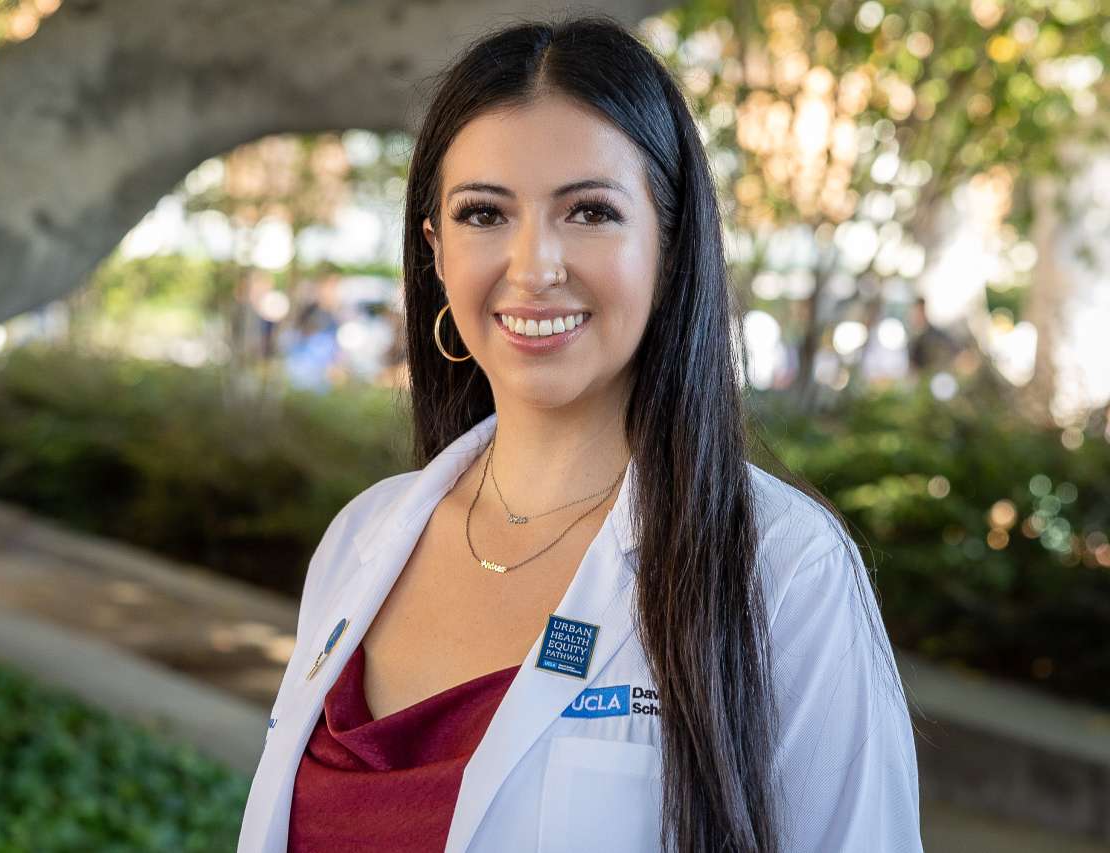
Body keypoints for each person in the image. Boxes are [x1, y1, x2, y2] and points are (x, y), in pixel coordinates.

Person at [238, 15, 922, 853]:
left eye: (590, 211)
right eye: (484, 213)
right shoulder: (361, 538)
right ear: (436, 253)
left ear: (670, 250)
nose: (533, 266)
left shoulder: (783, 571)